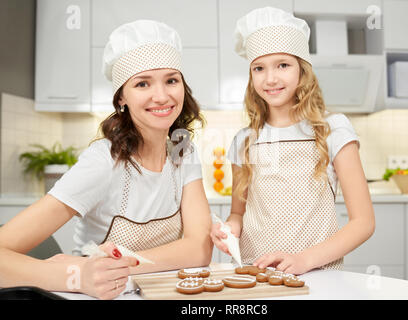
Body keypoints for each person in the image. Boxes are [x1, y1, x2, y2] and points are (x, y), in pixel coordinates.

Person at [0, 20, 212, 299]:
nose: (161, 96)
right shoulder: (104, 161)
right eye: (142, 83)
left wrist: (118, 267)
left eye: (171, 80)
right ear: (121, 97)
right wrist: (77, 274)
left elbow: (199, 248)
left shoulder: (182, 149)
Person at [210, 7, 375, 275]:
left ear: (302, 70)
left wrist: (304, 260)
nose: (270, 78)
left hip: (317, 273)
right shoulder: (244, 140)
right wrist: (230, 229)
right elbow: (238, 213)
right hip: (255, 274)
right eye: (259, 68)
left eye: (283, 65)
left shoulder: (332, 129)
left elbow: (364, 222)